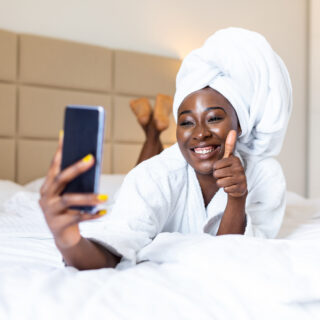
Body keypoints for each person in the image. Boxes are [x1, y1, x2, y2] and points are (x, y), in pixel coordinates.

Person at [39, 27, 292, 270]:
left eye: (214, 118)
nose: (201, 133)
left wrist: (237, 198)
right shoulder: (154, 176)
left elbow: (234, 253)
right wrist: (67, 239)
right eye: (186, 122)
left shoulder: (264, 174)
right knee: (144, 173)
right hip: (153, 175)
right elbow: (114, 248)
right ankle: (152, 131)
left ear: (241, 123)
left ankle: (151, 129)